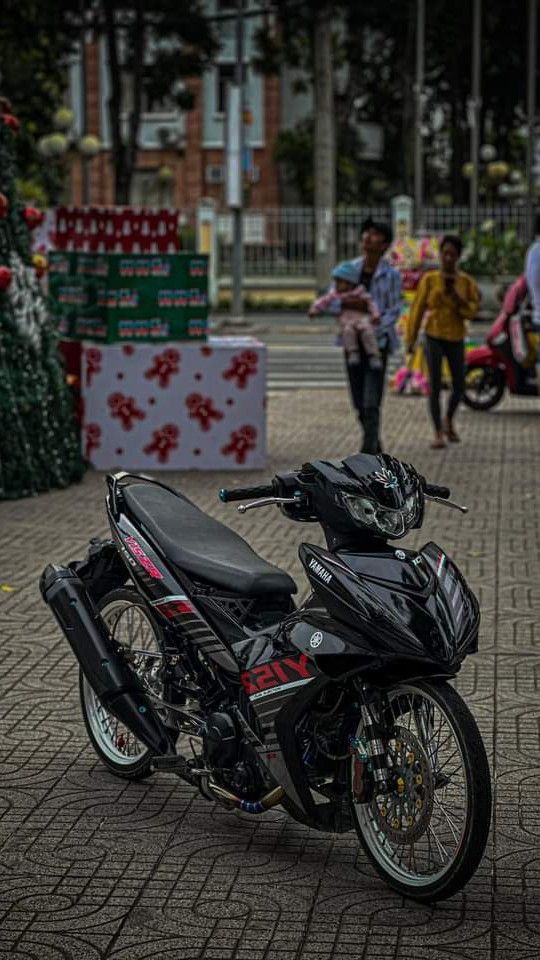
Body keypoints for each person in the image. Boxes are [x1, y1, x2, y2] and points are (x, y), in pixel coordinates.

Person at [407, 235, 480, 449]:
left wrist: (458, 299)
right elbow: (418, 309)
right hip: (433, 335)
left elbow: (472, 312)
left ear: (458, 256)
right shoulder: (429, 280)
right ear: (440, 254)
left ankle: (449, 418)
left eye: (452, 254)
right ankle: (438, 431)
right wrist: (411, 339)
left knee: (459, 384)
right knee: (435, 385)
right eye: (444, 253)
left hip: (456, 337)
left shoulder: (466, 283)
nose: (447, 258)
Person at [335, 220, 402, 454]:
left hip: (377, 344)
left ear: (384, 245)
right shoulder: (349, 270)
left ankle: (367, 454)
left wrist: (376, 328)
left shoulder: (391, 275)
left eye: (375, 234)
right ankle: (376, 448)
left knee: (371, 402)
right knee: (358, 402)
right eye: (367, 233)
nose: (367, 237)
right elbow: (335, 300)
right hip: (352, 342)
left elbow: (394, 310)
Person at [308, 261, 382, 369]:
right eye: (336, 282)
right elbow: (323, 301)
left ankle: (373, 355)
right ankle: (353, 352)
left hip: (361, 319)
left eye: (339, 282)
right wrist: (315, 309)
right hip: (347, 321)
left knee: (368, 332)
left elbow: (371, 304)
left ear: (350, 283)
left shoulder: (360, 293)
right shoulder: (335, 294)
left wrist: (375, 315)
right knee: (348, 332)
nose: (336, 285)